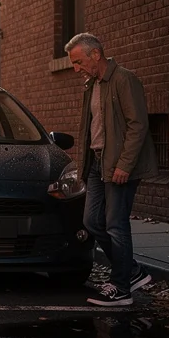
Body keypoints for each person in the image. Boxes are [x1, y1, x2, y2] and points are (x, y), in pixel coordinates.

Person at [66, 33, 159, 306]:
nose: (76, 68)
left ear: (96, 54)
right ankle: (131, 271)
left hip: (118, 165)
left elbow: (138, 125)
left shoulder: (123, 79)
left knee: (116, 224)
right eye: (73, 63)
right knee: (92, 221)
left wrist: (124, 165)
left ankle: (121, 288)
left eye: (78, 61)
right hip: (97, 163)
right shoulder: (91, 85)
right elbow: (89, 130)